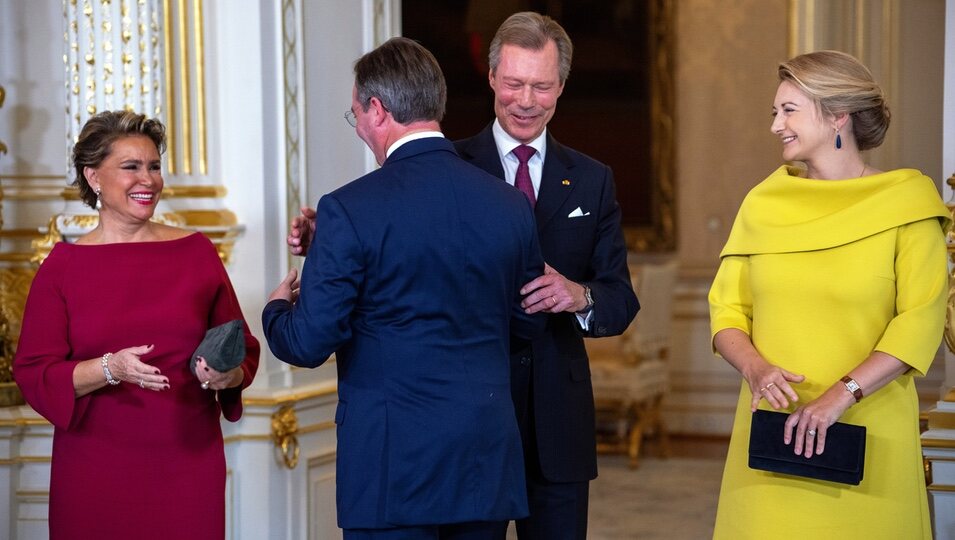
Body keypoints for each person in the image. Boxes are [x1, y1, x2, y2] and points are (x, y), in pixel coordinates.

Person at [287, 13, 639, 540]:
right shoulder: (449, 161)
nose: (526, 100)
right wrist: (329, 246)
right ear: (492, 77)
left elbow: (620, 298)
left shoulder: (592, 179)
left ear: (561, 86)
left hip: (554, 426)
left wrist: (579, 295)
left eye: (541, 86)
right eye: (515, 83)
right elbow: (397, 248)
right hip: (463, 426)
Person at [262, 37, 547, 539]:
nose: (359, 129)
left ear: (377, 109)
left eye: (355, 116)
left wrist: (278, 308)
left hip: (392, 467)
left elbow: (306, 343)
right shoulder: (509, 203)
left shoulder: (348, 209)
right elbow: (527, 320)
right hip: (485, 457)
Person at [709, 50, 949, 539]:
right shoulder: (763, 203)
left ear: (838, 115)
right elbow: (727, 309)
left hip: (870, 434)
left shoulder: (907, 204)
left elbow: (919, 320)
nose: (776, 125)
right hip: (772, 434)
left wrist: (842, 395)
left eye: (789, 110)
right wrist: (755, 368)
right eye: (774, 112)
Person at [13, 110, 260, 539]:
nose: (147, 179)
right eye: (130, 167)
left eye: (154, 166)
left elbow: (242, 348)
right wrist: (111, 368)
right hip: (95, 472)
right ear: (93, 178)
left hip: (188, 464)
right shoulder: (62, 268)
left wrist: (227, 374)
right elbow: (34, 372)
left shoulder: (196, 253)